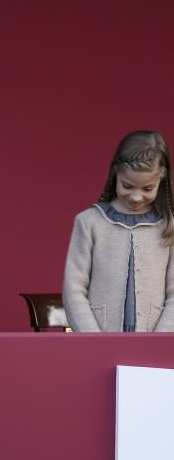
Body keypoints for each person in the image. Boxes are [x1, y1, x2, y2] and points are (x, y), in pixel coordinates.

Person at [63, 130, 174, 332]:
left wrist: (160, 340)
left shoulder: (169, 226)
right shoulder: (88, 222)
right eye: (127, 186)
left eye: (148, 188)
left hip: (156, 348)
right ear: (115, 174)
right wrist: (94, 339)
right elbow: (73, 289)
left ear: (162, 179)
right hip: (97, 342)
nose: (136, 197)